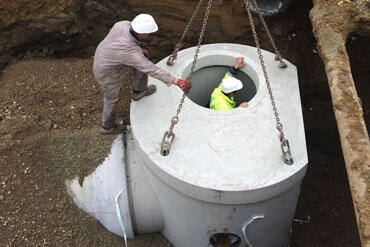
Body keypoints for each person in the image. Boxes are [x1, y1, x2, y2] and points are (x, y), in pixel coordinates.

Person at [93, 14, 191, 134]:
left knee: (142, 57)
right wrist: (177, 81)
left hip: (105, 54)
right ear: (142, 34)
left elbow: (118, 40)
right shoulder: (130, 52)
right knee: (112, 98)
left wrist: (135, 51)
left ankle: (140, 91)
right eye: (147, 34)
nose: (148, 36)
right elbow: (151, 69)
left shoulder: (123, 24)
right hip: (105, 71)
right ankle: (107, 127)